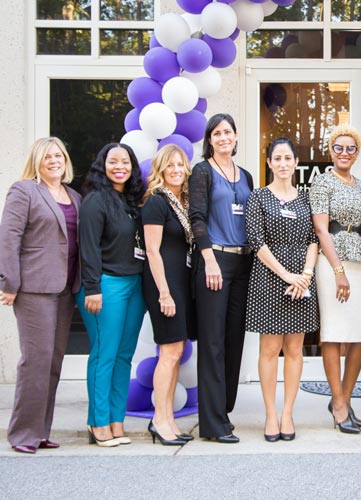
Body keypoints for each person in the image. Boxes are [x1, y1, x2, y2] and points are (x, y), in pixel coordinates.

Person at [0, 138, 81, 454]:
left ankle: (40, 431)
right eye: (47, 156)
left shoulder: (73, 196)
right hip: (34, 287)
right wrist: (9, 281)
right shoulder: (24, 191)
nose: (53, 160)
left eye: (58, 155)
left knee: (53, 362)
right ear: (37, 160)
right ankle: (23, 434)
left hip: (65, 288)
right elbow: (9, 238)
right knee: (35, 360)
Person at [245, 138, 319, 442]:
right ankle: (270, 414)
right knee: (270, 349)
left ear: (296, 162)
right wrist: (287, 274)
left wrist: (305, 275)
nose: (283, 163)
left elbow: (314, 239)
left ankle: (288, 412)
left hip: (300, 279)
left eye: (288, 158)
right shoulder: (258, 197)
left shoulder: (306, 199)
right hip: (269, 276)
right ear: (269, 163)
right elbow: (256, 241)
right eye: (277, 158)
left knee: (294, 349)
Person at [189, 113, 254, 443]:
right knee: (212, 343)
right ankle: (212, 425)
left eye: (228, 131)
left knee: (233, 341)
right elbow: (196, 217)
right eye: (217, 133)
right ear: (209, 140)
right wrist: (208, 259)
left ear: (236, 135)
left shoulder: (245, 176)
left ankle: (223, 412)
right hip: (214, 262)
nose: (223, 137)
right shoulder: (202, 172)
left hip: (242, 265)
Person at [77, 142, 146, 447]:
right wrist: (93, 288)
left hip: (134, 285)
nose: (120, 166)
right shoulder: (95, 201)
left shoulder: (131, 201)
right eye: (113, 161)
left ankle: (117, 420)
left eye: (126, 161)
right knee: (104, 354)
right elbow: (88, 248)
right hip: (105, 285)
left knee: (123, 356)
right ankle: (98, 421)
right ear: (102, 165)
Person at [310, 125, 361, 434]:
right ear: (331, 151)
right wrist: (338, 271)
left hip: (359, 260)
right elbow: (322, 230)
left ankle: (344, 399)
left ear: (357, 152)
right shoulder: (322, 183)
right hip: (331, 262)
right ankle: (337, 404)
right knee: (335, 333)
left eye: (351, 148)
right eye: (339, 148)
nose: (345, 153)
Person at [142, 144, 196, 446]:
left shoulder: (181, 202)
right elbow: (152, 250)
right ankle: (158, 420)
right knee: (169, 353)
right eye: (170, 165)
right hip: (164, 286)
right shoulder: (157, 202)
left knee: (175, 353)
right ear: (161, 169)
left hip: (180, 284)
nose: (176, 170)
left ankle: (169, 419)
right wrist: (164, 292)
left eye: (180, 165)